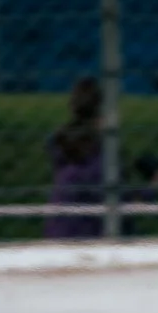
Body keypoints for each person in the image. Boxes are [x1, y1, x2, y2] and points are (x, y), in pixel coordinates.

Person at [44, 77, 103, 239]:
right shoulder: (99, 153)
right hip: (91, 234)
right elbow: (124, 199)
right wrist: (153, 187)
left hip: (58, 230)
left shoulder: (60, 142)